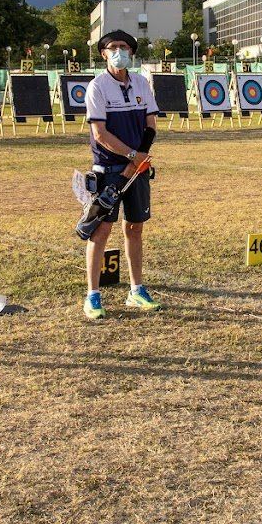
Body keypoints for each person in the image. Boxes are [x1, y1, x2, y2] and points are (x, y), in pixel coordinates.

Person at [83, 29, 162, 318]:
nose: (120, 51)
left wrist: (138, 159)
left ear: (132, 52)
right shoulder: (97, 86)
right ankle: (93, 296)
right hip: (108, 170)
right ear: (103, 53)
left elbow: (150, 126)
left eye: (125, 47)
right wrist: (131, 156)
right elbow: (100, 134)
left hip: (137, 169)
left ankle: (136, 290)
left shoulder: (141, 82)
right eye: (113, 47)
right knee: (100, 230)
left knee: (135, 227)